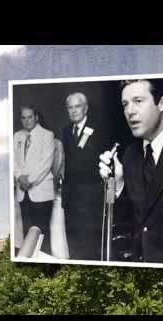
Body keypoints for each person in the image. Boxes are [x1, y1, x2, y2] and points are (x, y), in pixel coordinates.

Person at [99, 78, 163, 263]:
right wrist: (115, 186)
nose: (130, 111)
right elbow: (131, 221)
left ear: (162, 103)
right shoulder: (130, 155)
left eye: (138, 101)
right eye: (125, 104)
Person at [61, 92, 111, 260]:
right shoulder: (66, 132)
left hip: (91, 202)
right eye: (70, 107)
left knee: (90, 249)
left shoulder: (99, 128)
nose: (74, 111)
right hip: (70, 202)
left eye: (77, 106)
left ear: (86, 108)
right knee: (73, 249)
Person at [14, 105, 55, 255]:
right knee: (27, 233)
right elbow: (14, 161)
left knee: (42, 233)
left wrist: (29, 180)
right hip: (23, 193)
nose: (26, 121)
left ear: (36, 117)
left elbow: (46, 163)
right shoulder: (17, 136)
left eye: (29, 117)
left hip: (41, 192)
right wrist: (19, 177)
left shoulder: (47, 135)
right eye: (23, 118)